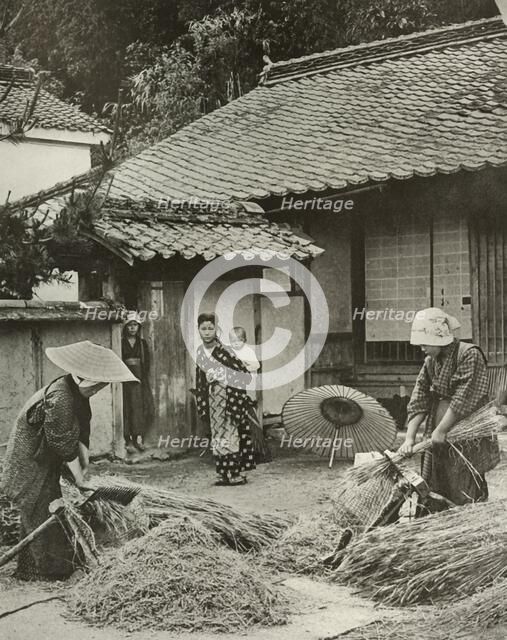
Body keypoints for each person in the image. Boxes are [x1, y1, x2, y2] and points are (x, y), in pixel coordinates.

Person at [0, 340, 138, 581]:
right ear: (84, 380)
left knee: (47, 507)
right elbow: (62, 443)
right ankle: (47, 571)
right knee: (38, 508)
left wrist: (85, 470)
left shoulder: (79, 397)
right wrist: (79, 479)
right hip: (29, 461)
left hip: (45, 459)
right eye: (96, 387)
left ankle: (31, 569)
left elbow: (81, 435)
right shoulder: (61, 396)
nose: (97, 391)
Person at [398, 307, 500, 507]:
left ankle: (468, 519)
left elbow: (465, 396)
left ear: (439, 338)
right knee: (437, 476)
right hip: (438, 425)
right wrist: (410, 437)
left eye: (424, 343)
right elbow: (421, 395)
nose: (422, 349)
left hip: (465, 426)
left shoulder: (469, 355)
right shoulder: (430, 361)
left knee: (464, 480)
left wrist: (442, 429)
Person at [194, 313, 256, 486]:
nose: (207, 332)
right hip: (212, 398)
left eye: (210, 328)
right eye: (203, 328)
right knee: (218, 436)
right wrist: (204, 393)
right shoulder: (200, 352)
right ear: (198, 330)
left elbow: (244, 374)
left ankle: (234, 473)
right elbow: (199, 378)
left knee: (230, 434)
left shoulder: (226, 350)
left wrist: (222, 376)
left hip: (229, 398)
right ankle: (222, 473)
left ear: (216, 329)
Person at [229, 326, 272, 464]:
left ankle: (254, 450)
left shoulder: (247, 351)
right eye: (233, 341)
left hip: (244, 381)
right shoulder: (230, 352)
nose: (235, 344)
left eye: (238, 341)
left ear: (244, 340)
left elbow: (256, 366)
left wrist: (244, 366)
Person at [121, 313, 155, 454]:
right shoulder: (121, 342)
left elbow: (146, 362)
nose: (132, 328)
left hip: (139, 379)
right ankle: (128, 440)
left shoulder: (142, 343)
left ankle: (138, 438)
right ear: (126, 327)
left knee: (139, 407)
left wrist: (142, 377)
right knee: (127, 407)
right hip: (125, 378)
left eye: (135, 325)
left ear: (138, 327)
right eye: (130, 325)